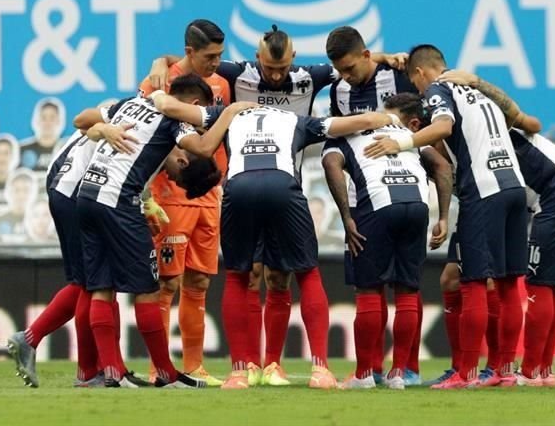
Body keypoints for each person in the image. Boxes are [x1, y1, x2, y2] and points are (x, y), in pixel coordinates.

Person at [149, 24, 407, 386]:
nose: (275, 75)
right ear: (256, 60)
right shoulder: (296, 120)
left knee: (241, 276)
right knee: (307, 273)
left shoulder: (230, 114)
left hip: (238, 189)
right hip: (285, 188)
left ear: (294, 60)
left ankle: (241, 371)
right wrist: (386, 118)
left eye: (282, 67)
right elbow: (347, 123)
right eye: (269, 68)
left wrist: (158, 99)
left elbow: (174, 107)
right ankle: (320, 368)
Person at [364, 45, 534, 389]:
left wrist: (404, 143)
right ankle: (504, 369)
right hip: (515, 186)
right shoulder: (478, 91)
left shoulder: (440, 89)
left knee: (472, 282)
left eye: (416, 82)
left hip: (484, 190)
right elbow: (526, 121)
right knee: (507, 283)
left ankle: (466, 373)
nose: (420, 92)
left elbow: (442, 126)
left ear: (421, 73)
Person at [74, 76, 255, 388]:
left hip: (87, 195)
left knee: (101, 286)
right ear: (195, 106)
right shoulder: (174, 119)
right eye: (204, 113)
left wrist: (105, 129)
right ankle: (167, 375)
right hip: (118, 200)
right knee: (149, 291)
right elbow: (205, 146)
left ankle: (113, 374)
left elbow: (82, 120)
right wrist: (231, 112)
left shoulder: (131, 104)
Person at [438, 69, 555, 387]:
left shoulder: (485, 135)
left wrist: (477, 82)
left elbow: (528, 122)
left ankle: (531, 370)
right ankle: (541, 370)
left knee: (537, 284)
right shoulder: (491, 126)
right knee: (545, 285)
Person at [7, 109, 149, 388]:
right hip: (77, 193)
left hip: (64, 185)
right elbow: (93, 134)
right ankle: (89, 370)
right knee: (96, 283)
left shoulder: (127, 110)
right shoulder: (149, 122)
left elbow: (87, 130)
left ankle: (96, 368)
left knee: (90, 282)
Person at [322, 92, 452, 389]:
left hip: (377, 206)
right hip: (417, 208)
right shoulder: (406, 133)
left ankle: (364, 374)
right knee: (407, 292)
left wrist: (346, 217)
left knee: (369, 290)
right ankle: (399, 374)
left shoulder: (344, 135)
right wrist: (443, 216)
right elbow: (444, 167)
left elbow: (331, 166)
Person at [325, 26, 425, 385]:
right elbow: (336, 137)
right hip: (369, 191)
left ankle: (398, 370)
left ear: (368, 55)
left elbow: (422, 124)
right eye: (341, 71)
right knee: (396, 286)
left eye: (351, 68)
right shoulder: (339, 89)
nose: (346, 76)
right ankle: (390, 371)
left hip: (400, 182)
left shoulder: (399, 77)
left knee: (385, 286)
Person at [137, 19, 230, 386]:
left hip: (211, 197)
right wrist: (160, 62)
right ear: (190, 53)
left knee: (199, 284)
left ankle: (194, 366)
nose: (216, 63)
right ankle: (158, 365)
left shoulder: (222, 83)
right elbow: (143, 123)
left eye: (220, 56)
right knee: (166, 285)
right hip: (171, 194)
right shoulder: (160, 82)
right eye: (210, 56)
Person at [20, 98, 67, 172]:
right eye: (43, 117)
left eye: (52, 118)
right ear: (37, 120)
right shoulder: (22, 150)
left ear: (59, 120)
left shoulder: (67, 150)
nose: (47, 123)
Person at [0, 169, 37, 241]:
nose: (21, 195)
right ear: (7, 193)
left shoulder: (44, 222)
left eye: (26, 190)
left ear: (34, 193)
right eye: (16, 190)